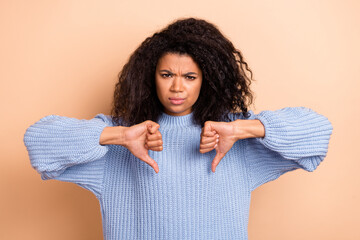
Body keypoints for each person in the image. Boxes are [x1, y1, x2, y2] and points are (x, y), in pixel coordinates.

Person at [24, 18, 333, 240]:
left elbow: (319, 132)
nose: (176, 87)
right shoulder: (121, 140)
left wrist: (241, 130)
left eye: (190, 77)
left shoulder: (230, 136)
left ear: (208, 80)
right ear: (149, 77)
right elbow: (38, 140)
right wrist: (118, 136)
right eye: (166, 74)